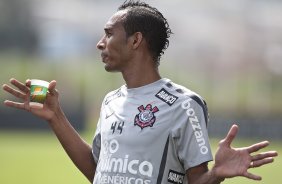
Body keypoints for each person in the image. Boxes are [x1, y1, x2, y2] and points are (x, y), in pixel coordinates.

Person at [2, 1, 278, 184]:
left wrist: (216, 173)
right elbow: (99, 172)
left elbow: (197, 180)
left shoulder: (183, 104)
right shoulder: (111, 100)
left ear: (136, 40)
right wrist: (56, 117)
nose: (100, 43)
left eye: (109, 34)